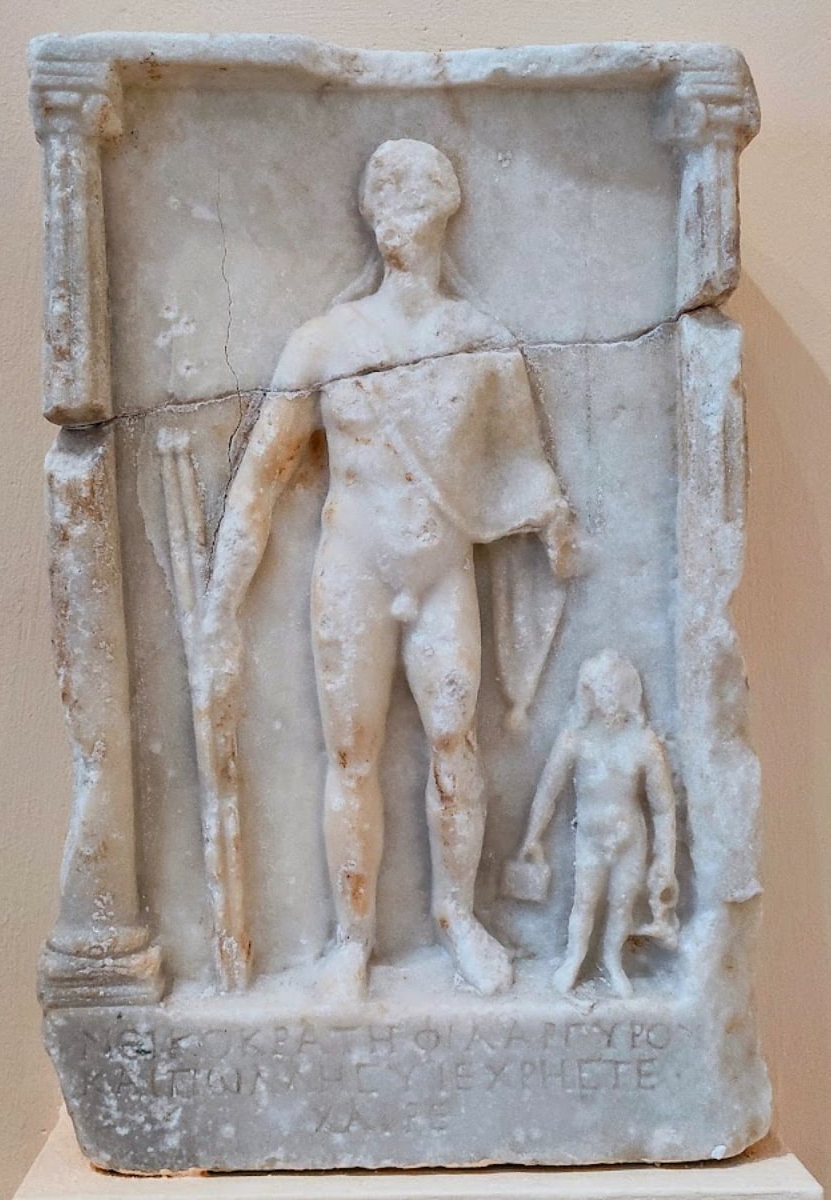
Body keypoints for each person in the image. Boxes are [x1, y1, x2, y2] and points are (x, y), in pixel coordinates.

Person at [202, 139, 576, 998]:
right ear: (369, 218)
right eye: (384, 200)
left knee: (454, 740)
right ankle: (352, 941)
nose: (395, 217)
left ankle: (458, 917)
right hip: (352, 571)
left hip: (442, 572)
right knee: (352, 754)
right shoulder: (325, 341)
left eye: (411, 199)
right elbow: (260, 479)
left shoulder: (483, 344)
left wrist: (551, 516)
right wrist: (221, 606)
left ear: (444, 213)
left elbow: (523, 466)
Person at [503, 650, 679, 997]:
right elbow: (548, 792)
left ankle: (612, 961)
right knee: (584, 902)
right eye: (600, 690)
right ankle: (574, 958)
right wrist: (532, 837)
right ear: (589, 693)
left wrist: (666, 859)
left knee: (621, 904)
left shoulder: (644, 743)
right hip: (590, 839)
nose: (607, 698)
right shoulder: (575, 739)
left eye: (613, 690)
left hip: (630, 840)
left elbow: (663, 808)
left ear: (628, 693)